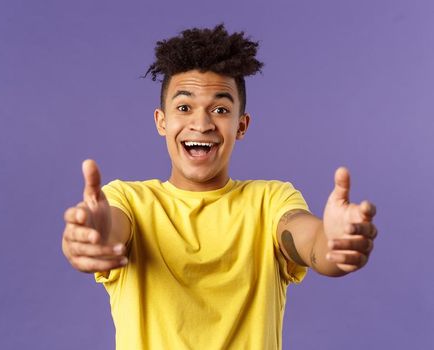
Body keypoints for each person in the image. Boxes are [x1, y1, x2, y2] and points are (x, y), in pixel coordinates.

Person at [60, 24, 379, 350]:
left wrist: (335, 243)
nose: (201, 123)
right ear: (161, 121)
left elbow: (309, 241)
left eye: (221, 109)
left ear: (241, 125)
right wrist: (92, 237)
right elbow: (112, 230)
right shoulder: (128, 201)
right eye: (184, 107)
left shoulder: (269, 201)